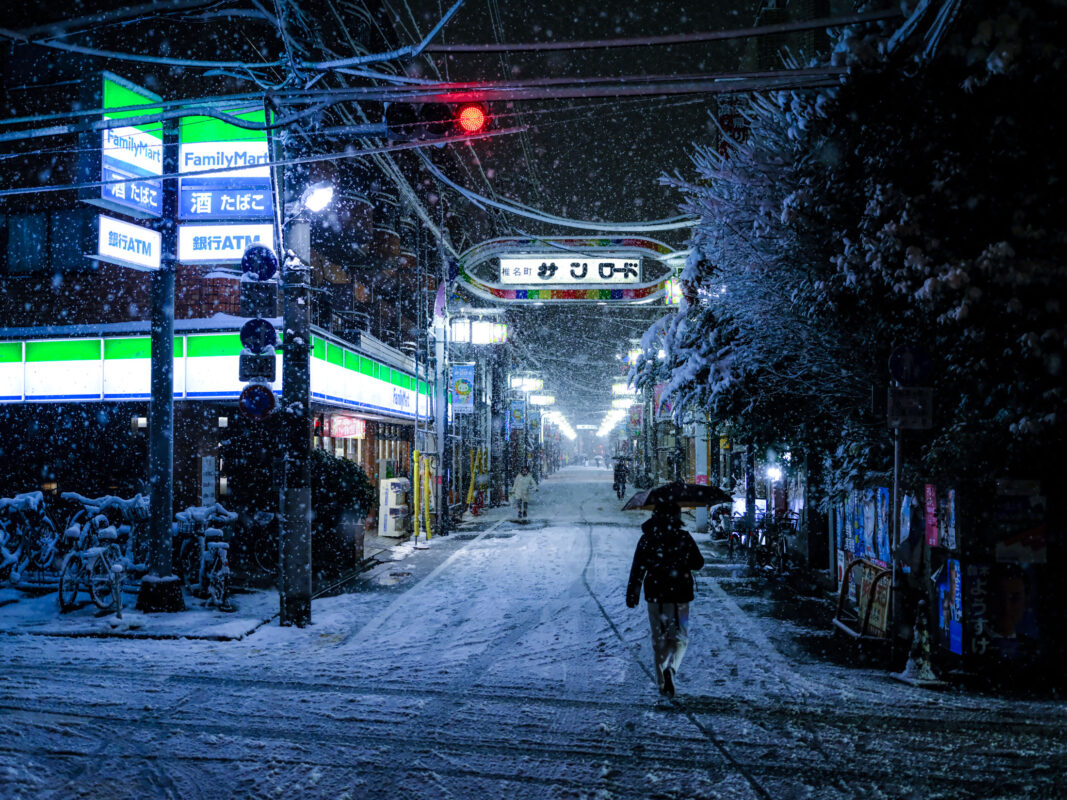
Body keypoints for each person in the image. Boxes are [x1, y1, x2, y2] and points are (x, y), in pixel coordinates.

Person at [626, 501, 704, 697]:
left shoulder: (647, 538)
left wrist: (633, 592)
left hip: (656, 595)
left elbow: (638, 567)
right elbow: (698, 563)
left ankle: (662, 683)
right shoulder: (683, 537)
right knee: (680, 638)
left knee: (659, 639)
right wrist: (681, 560)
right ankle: (672, 668)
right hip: (680, 595)